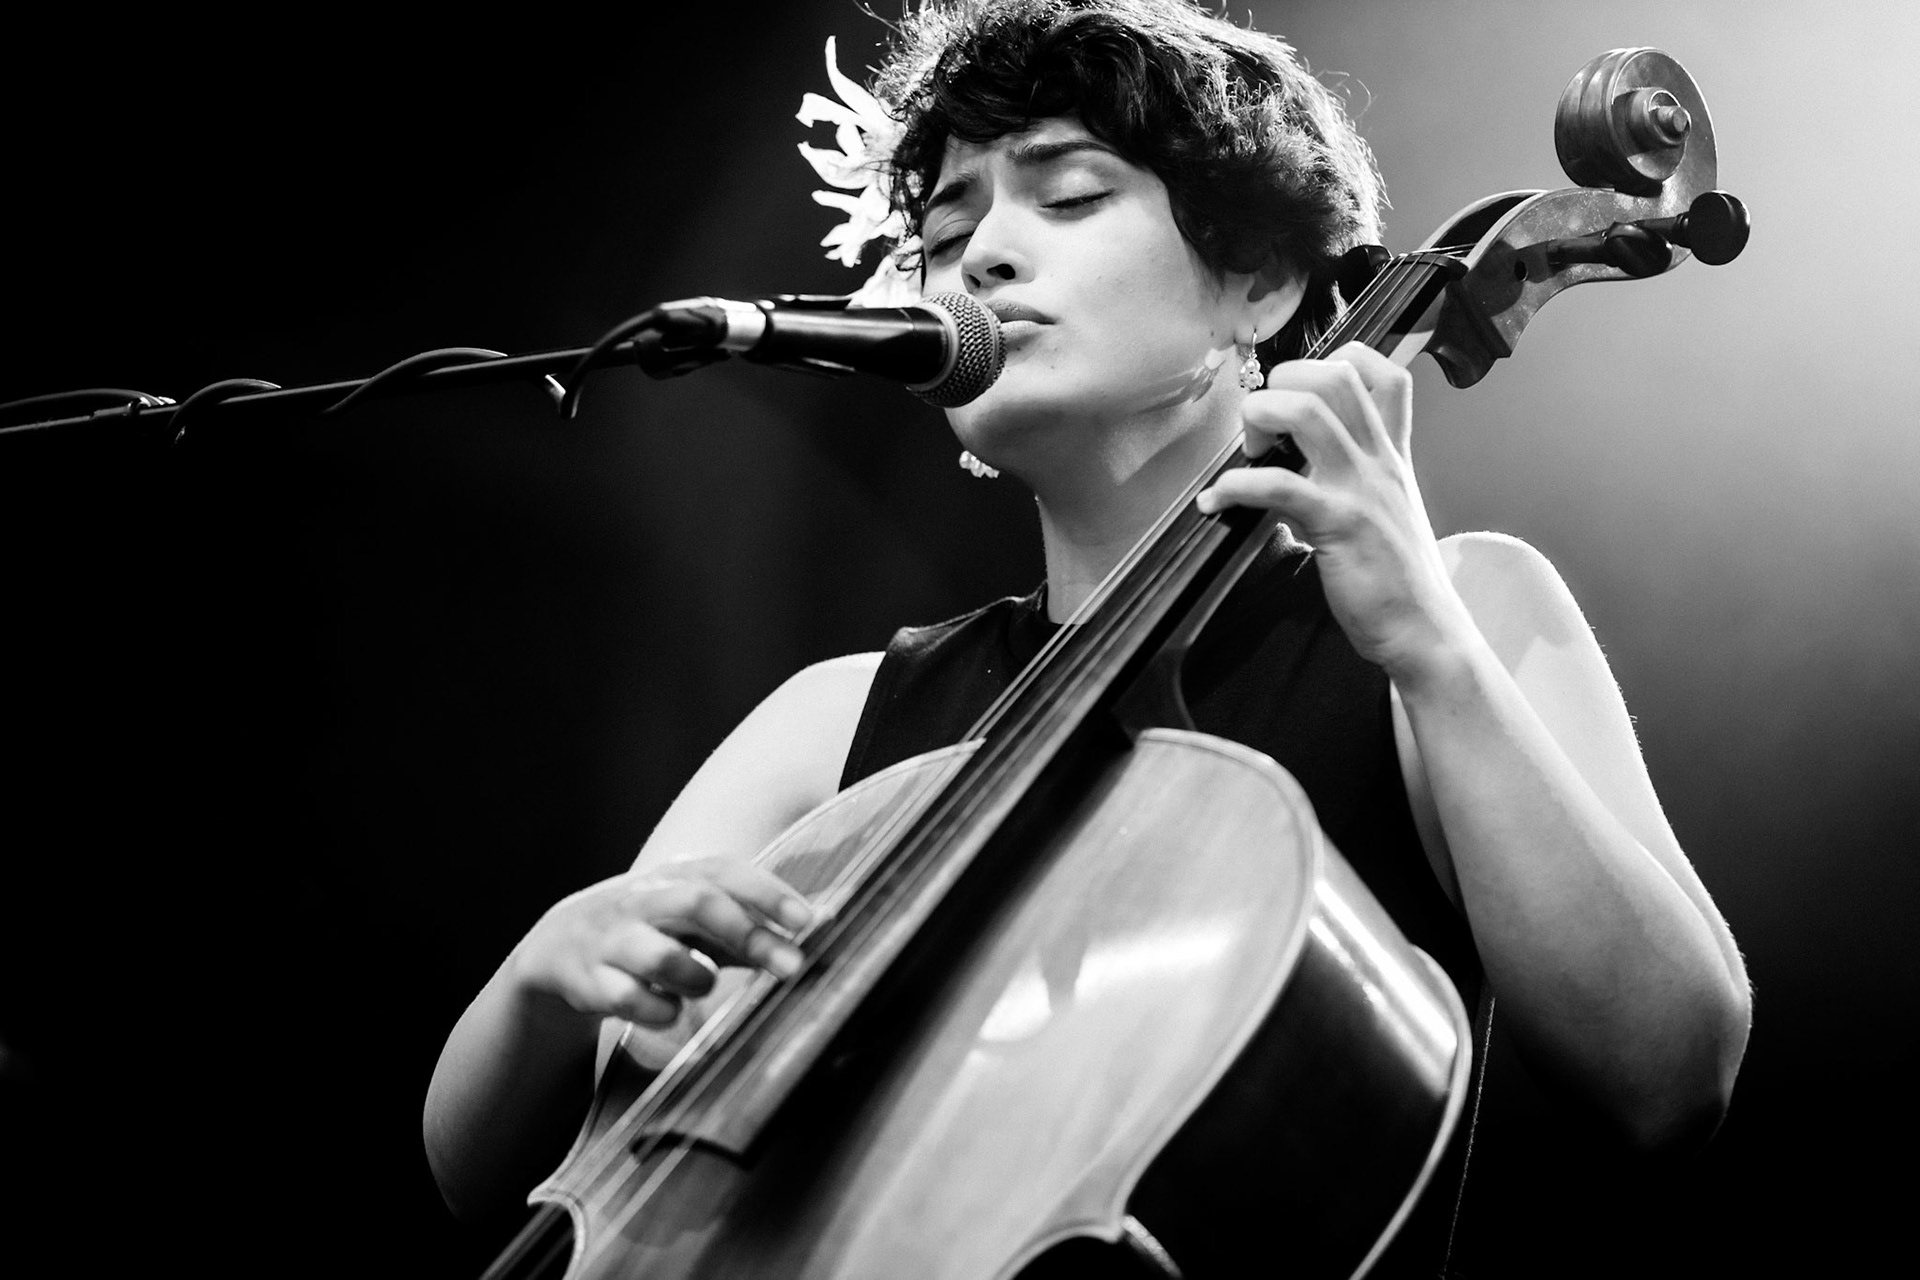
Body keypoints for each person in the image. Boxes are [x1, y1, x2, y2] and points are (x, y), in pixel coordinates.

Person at [424, 1, 1751, 1272]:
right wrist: (553, 973)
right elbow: (502, 1171)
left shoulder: (1458, 609)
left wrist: (1426, 640)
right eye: (949, 230)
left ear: (1261, 278)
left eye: (1067, 197)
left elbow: (1670, 1073)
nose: (985, 256)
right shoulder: (831, 723)